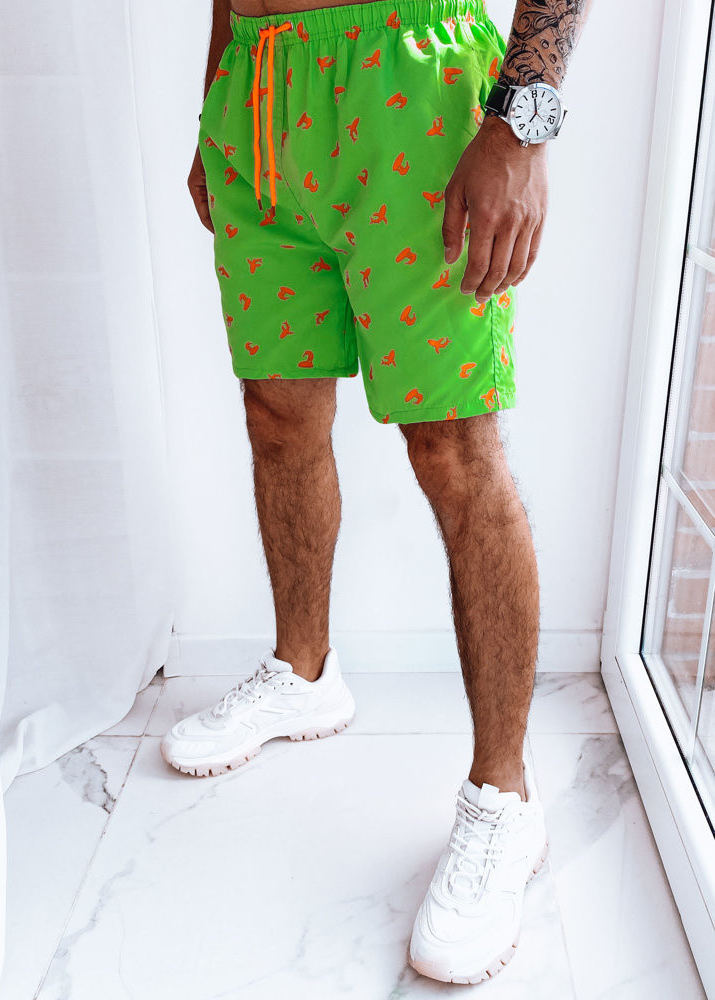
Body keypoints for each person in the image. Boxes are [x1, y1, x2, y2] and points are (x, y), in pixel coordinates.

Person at [162, 0, 591, 984]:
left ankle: (505, 799)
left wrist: (521, 126)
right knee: (278, 414)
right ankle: (304, 674)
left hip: (407, 79)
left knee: (453, 452)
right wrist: (217, 95)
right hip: (256, 95)